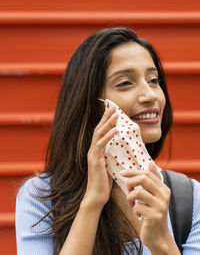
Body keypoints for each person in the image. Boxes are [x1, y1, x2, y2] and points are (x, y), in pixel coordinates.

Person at [15, 27, 200, 255]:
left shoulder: (190, 198)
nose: (151, 94)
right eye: (125, 83)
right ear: (90, 103)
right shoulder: (41, 197)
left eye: (154, 80)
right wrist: (92, 202)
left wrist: (162, 242)